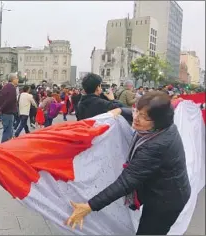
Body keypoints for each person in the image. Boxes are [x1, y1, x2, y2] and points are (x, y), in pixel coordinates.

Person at [66, 91, 191, 235]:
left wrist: (89, 206)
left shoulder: (156, 145)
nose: (136, 118)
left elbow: (126, 182)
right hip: (159, 190)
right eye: (136, 111)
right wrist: (119, 110)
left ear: (159, 121)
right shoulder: (158, 128)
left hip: (167, 200)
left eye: (143, 117)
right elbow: (138, 112)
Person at [0, 73, 18, 143]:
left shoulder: (5, 87)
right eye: (17, 78)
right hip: (8, 112)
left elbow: (0, 99)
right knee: (7, 132)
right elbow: (9, 100)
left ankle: (8, 146)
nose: (18, 80)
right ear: (13, 79)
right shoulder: (12, 88)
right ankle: (3, 147)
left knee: (9, 131)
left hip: (5, 112)